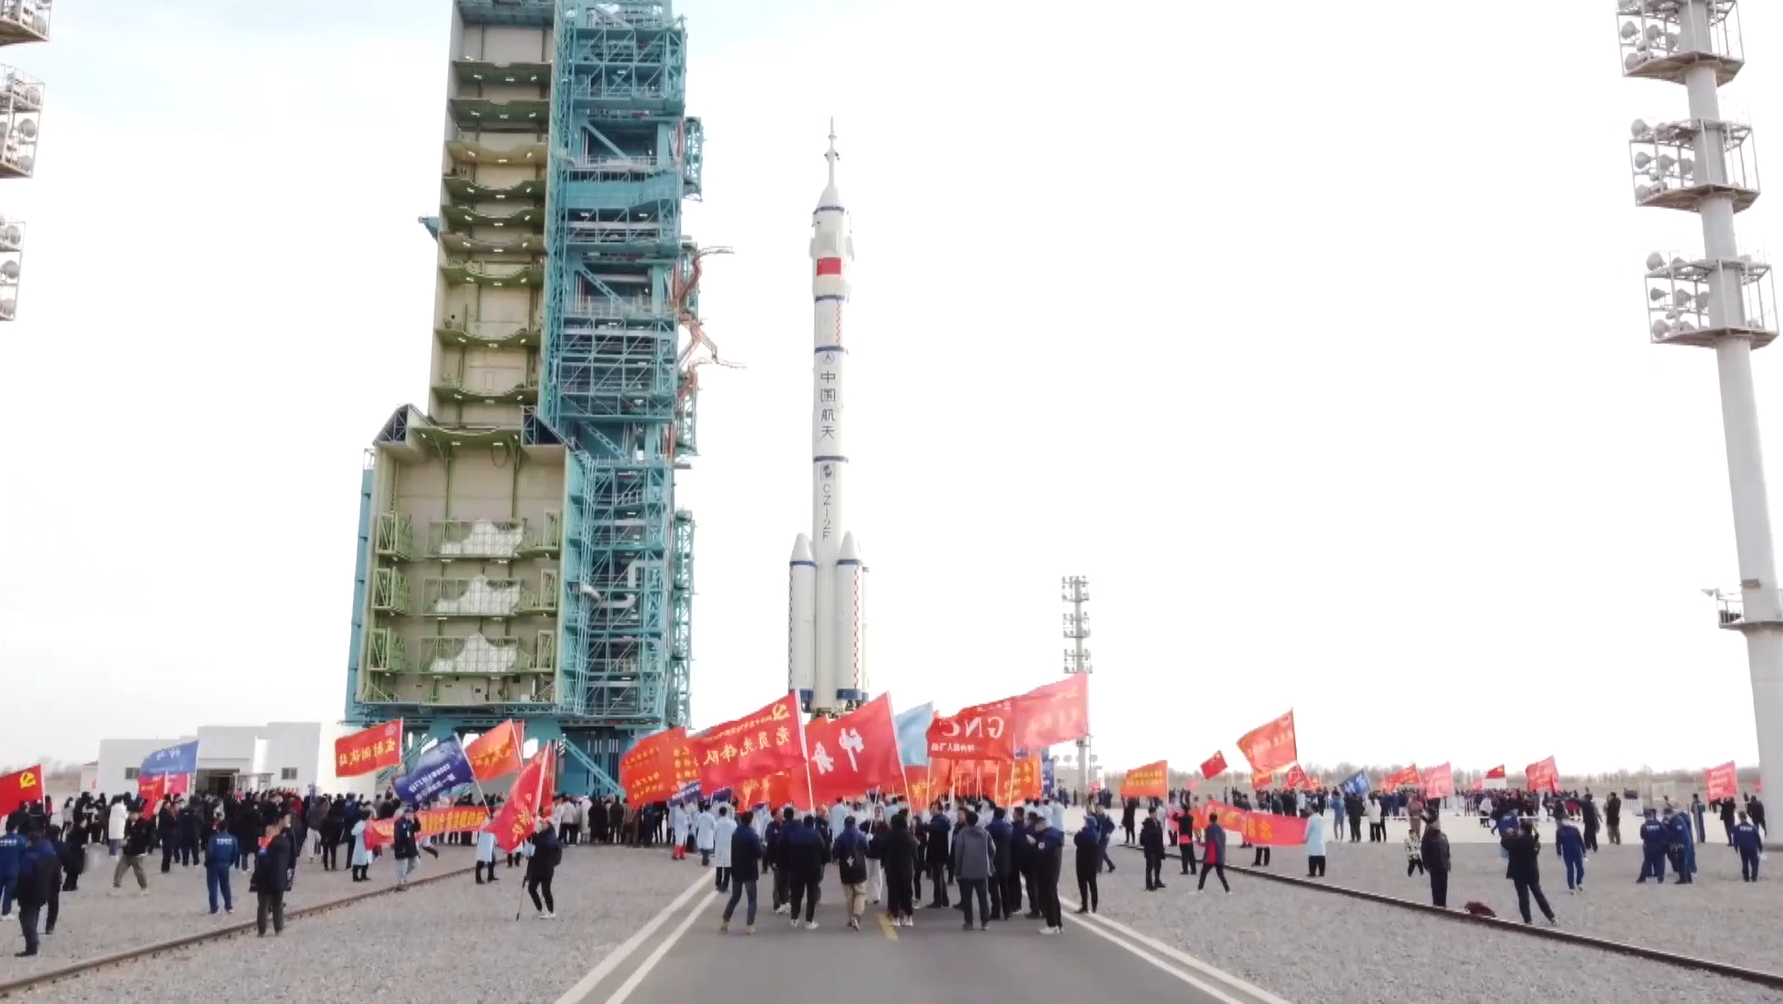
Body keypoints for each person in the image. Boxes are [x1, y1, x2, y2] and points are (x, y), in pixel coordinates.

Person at [13, 824, 61, 957]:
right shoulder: (51, 854)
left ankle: (31, 946)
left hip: (29, 893)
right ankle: (34, 940)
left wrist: (16, 893)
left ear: (30, 842)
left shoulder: (28, 857)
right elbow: (56, 875)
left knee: (26, 917)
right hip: (44, 891)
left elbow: (24, 877)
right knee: (33, 914)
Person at [1501, 819, 1556, 926]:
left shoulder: (1517, 842)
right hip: (1532, 872)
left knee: (1523, 897)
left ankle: (1528, 920)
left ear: (1522, 830)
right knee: (1539, 895)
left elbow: (1504, 842)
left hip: (1519, 873)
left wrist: (1510, 833)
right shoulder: (1535, 842)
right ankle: (1551, 916)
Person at [720, 809, 764, 934]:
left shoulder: (736, 833)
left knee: (735, 896)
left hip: (737, 869)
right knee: (752, 899)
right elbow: (758, 853)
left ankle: (725, 920)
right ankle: (750, 924)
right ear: (751, 820)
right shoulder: (752, 835)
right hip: (749, 870)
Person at [951, 809, 992, 930]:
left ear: (966, 821)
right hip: (982, 869)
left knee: (967, 897)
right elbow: (992, 849)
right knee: (983, 897)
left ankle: (969, 922)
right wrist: (988, 861)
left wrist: (957, 869)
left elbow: (958, 852)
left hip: (966, 869)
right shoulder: (985, 833)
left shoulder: (962, 833)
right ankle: (985, 922)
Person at [251, 820, 291, 937]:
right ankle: (278, 928)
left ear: (275, 831)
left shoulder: (269, 845)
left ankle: (262, 930)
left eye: (269, 831)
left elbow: (264, 860)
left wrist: (263, 848)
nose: (266, 833)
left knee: (264, 905)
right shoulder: (284, 842)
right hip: (278, 879)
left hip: (266, 878)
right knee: (276, 904)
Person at [835, 814, 871, 931]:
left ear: (844, 825)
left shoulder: (840, 838)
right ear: (855, 824)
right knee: (860, 893)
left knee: (849, 896)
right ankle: (856, 915)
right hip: (859, 869)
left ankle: (851, 919)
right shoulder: (861, 836)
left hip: (845, 870)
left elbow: (835, 854)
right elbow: (867, 850)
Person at [1030, 811, 1064, 935]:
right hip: (1051, 872)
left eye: (1036, 825)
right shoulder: (1052, 834)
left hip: (1047, 872)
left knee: (1048, 897)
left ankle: (1052, 924)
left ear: (1042, 824)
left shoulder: (1048, 837)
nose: (1035, 828)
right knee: (1053, 897)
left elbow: (1041, 851)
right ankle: (1057, 924)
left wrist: (1034, 844)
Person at [526, 817, 562, 919]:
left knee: (546, 890)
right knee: (531, 888)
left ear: (549, 825)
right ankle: (539, 909)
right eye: (541, 823)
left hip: (546, 867)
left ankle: (551, 911)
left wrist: (536, 837)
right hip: (537, 867)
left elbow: (547, 844)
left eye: (544, 823)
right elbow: (535, 841)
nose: (542, 824)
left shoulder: (551, 835)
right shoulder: (542, 834)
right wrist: (529, 835)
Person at [113, 805, 152, 892]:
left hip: (137, 852)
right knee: (119, 869)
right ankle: (116, 887)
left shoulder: (143, 824)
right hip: (127, 851)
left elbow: (143, 838)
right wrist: (125, 841)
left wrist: (130, 841)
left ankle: (144, 888)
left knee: (138, 871)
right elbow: (126, 834)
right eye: (129, 813)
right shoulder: (128, 822)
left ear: (138, 814)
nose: (130, 815)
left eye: (133, 814)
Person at [205, 824, 239, 915]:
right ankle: (229, 906)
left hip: (213, 865)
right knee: (225, 886)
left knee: (213, 887)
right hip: (225, 864)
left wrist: (207, 863)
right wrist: (230, 862)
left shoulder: (213, 839)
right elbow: (235, 852)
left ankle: (214, 908)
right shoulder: (232, 839)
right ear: (227, 828)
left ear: (218, 828)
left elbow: (209, 852)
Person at [1071, 813, 1100, 915]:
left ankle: (1084, 906)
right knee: (1093, 885)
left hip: (1082, 863)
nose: (1084, 823)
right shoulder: (1095, 834)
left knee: (1083, 886)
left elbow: (1076, 840)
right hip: (1092, 864)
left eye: (1085, 821)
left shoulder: (1083, 834)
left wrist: (1079, 833)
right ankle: (1094, 905)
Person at [1420, 813, 1450, 907]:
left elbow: (1447, 850)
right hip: (1434, 867)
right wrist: (1428, 866)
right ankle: (1437, 905)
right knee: (1436, 889)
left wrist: (1448, 863)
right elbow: (1424, 852)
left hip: (1444, 867)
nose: (1439, 823)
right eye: (1437, 822)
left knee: (1444, 888)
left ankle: (1443, 905)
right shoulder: (1428, 837)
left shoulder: (1443, 835)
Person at [1197, 812, 1229, 893]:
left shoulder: (1209, 829)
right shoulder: (1221, 829)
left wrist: (1199, 843)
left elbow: (1208, 843)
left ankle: (1200, 889)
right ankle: (1227, 889)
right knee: (1220, 874)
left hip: (1211, 856)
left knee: (1204, 872)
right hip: (1220, 855)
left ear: (1210, 819)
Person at [1556, 814, 1586, 893]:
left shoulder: (1575, 829)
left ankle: (1578, 882)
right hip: (1567, 852)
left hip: (1577, 851)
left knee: (1580, 868)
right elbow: (1558, 843)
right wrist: (1559, 853)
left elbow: (1580, 840)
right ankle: (1571, 886)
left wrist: (1584, 851)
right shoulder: (1560, 831)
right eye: (1564, 820)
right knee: (1570, 870)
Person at [1637, 808, 1668, 883]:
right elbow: (1665, 833)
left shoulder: (1644, 826)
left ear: (1645, 817)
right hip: (1659, 845)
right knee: (1660, 862)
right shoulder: (1659, 824)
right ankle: (1660, 878)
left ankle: (1642, 878)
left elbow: (1642, 836)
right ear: (1652, 815)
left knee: (1647, 861)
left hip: (1649, 846)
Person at [0, 819, 23, 918]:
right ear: (16, 828)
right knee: (9, 892)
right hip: (13, 869)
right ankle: (6, 912)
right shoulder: (20, 840)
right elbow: (24, 853)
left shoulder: (1, 839)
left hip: (1, 868)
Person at [712, 804, 737, 893]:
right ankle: (725, 885)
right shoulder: (732, 823)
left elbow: (714, 834)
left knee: (719, 865)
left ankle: (718, 884)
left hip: (719, 845)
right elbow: (735, 832)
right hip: (729, 845)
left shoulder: (717, 822)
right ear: (726, 813)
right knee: (727, 866)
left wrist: (717, 840)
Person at [1733, 811, 1762, 882]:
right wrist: (1760, 847)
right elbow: (1757, 838)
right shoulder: (1752, 827)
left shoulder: (1737, 827)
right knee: (1754, 862)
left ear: (1739, 818)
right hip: (1752, 846)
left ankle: (1746, 877)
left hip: (1743, 846)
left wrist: (1736, 847)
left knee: (1745, 861)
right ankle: (1754, 877)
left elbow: (1735, 838)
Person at [1140, 813, 1166, 890]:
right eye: (1154, 814)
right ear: (1150, 814)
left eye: (1156, 814)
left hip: (1158, 849)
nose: (1155, 815)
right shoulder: (1147, 825)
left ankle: (1157, 881)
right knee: (1149, 867)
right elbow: (1142, 839)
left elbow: (1160, 837)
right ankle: (1149, 884)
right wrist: (1149, 844)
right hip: (1150, 850)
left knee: (1158, 866)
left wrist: (1162, 848)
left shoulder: (1158, 824)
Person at [1304, 811, 1327, 878]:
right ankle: (1321, 872)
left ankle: (1312, 872)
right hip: (1321, 839)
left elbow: (1307, 829)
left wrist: (1305, 838)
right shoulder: (1322, 818)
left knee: (1312, 856)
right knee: (1321, 856)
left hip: (1313, 839)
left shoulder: (1311, 819)